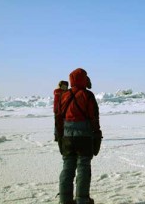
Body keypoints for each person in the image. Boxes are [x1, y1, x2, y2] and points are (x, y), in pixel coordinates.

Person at [57, 68, 102, 204]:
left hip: (67, 137)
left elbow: (59, 117)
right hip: (84, 136)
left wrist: (59, 136)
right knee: (83, 167)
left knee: (67, 167)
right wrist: (96, 133)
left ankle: (65, 200)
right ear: (83, 79)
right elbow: (93, 117)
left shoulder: (64, 95)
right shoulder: (87, 95)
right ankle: (82, 200)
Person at [54, 80, 69, 148]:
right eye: (63, 86)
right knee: (58, 124)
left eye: (66, 86)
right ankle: (57, 136)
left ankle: (60, 135)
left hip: (63, 110)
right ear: (60, 86)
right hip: (58, 111)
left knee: (61, 123)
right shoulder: (58, 92)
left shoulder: (63, 92)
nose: (65, 87)